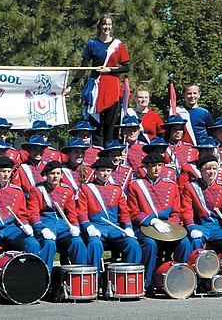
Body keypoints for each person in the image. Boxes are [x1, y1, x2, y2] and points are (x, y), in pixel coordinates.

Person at [127, 152, 191, 293]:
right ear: (146, 167)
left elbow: (176, 212)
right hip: (145, 226)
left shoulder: (171, 185)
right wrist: (153, 221)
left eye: (159, 165)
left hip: (167, 226)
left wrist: (171, 224)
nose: (156, 169)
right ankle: (147, 283)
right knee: (149, 244)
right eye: (153, 166)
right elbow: (134, 213)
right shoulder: (136, 186)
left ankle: (182, 280)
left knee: (185, 243)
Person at [0, 157, 52, 266]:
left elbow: (22, 215)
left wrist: (25, 225)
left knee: (32, 244)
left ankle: (29, 275)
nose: (6, 175)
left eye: (8, 172)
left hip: (10, 228)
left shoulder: (17, 191)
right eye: (3, 171)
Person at [77, 157, 141, 277]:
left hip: (114, 228)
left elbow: (124, 213)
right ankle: (93, 281)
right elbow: (81, 212)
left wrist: (128, 227)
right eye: (102, 171)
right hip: (96, 227)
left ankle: (127, 281)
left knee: (133, 244)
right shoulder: (86, 188)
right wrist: (88, 226)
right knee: (94, 244)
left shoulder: (117, 190)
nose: (105, 174)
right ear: (95, 172)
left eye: (108, 171)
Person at [75, 14, 131, 145]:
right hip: (96, 88)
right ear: (100, 26)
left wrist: (109, 70)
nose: (107, 27)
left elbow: (126, 67)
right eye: (104, 24)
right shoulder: (92, 44)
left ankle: (110, 152)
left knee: (110, 125)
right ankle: (96, 152)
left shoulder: (118, 45)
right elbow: (83, 66)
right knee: (96, 124)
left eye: (109, 24)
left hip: (112, 88)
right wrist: (72, 85)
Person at [179, 155, 222, 258]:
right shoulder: (190, 187)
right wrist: (191, 227)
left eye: (214, 169)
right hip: (200, 226)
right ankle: (195, 270)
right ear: (201, 170)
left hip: (218, 227)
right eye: (208, 169)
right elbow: (187, 211)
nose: (212, 172)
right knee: (196, 242)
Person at [27, 161, 88, 271]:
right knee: (48, 244)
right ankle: (45, 279)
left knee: (77, 242)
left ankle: (80, 278)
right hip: (45, 223)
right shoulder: (36, 190)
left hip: (63, 224)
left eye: (58, 173)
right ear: (45, 175)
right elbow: (33, 213)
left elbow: (71, 213)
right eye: (52, 173)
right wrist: (41, 228)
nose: (55, 176)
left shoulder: (67, 190)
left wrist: (75, 226)